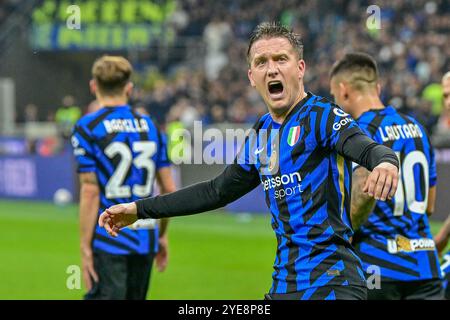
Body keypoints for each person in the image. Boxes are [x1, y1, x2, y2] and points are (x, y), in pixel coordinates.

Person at [99, 22, 399, 300]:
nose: (271, 69)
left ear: (300, 68)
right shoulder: (262, 134)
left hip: (334, 283)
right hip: (285, 284)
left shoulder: (321, 116)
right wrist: (139, 210)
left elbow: (367, 147)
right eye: (261, 62)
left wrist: (385, 161)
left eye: (281, 59)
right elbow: (216, 191)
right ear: (251, 77)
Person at [329, 52, 443, 300]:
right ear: (377, 87)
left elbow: (358, 207)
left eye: (334, 96)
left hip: (379, 267)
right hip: (426, 267)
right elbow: (430, 206)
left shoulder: (358, 132)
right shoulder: (418, 128)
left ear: (343, 90)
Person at [71, 55, 176, 300]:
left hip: (109, 238)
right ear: (129, 88)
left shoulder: (87, 126)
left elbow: (89, 191)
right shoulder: (150, 126)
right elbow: (169, 190)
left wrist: (85, 247)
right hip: (146, 235)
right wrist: (161, 234)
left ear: (93, 86)